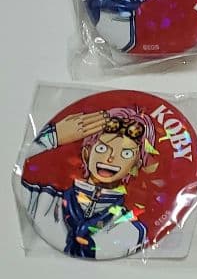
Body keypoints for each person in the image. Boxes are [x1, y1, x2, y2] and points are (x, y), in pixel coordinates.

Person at [20, 108, 156, 258]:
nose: (110, 158)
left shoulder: (133, 232)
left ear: (135, 166)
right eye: (102, 148)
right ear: (86, 154)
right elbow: (10, 171)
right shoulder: (40, 201)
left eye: (126, 153)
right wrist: (51, 137)